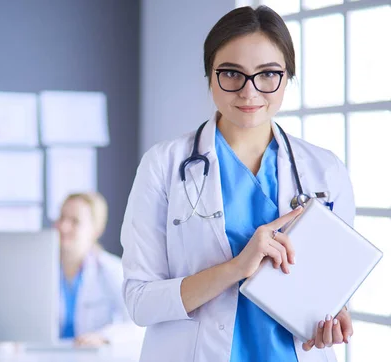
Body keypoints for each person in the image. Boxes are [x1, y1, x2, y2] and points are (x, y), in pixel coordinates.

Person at [120, 6, 354, 362]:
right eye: (231, 73)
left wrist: (333, 318)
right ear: (209, 75)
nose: (249, 92)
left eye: (268, 74)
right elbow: (139, 302)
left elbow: (333, 289)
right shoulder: (163, 165)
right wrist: (236, 269)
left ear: (287, 76)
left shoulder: (325, 171)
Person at [54, 192, 143, 350]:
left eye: (75, 221)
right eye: (61, 218)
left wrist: (105, 337)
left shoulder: (112, 270)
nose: (63, 227)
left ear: (96, 229)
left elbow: (139, 323)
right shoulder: (40, 271)